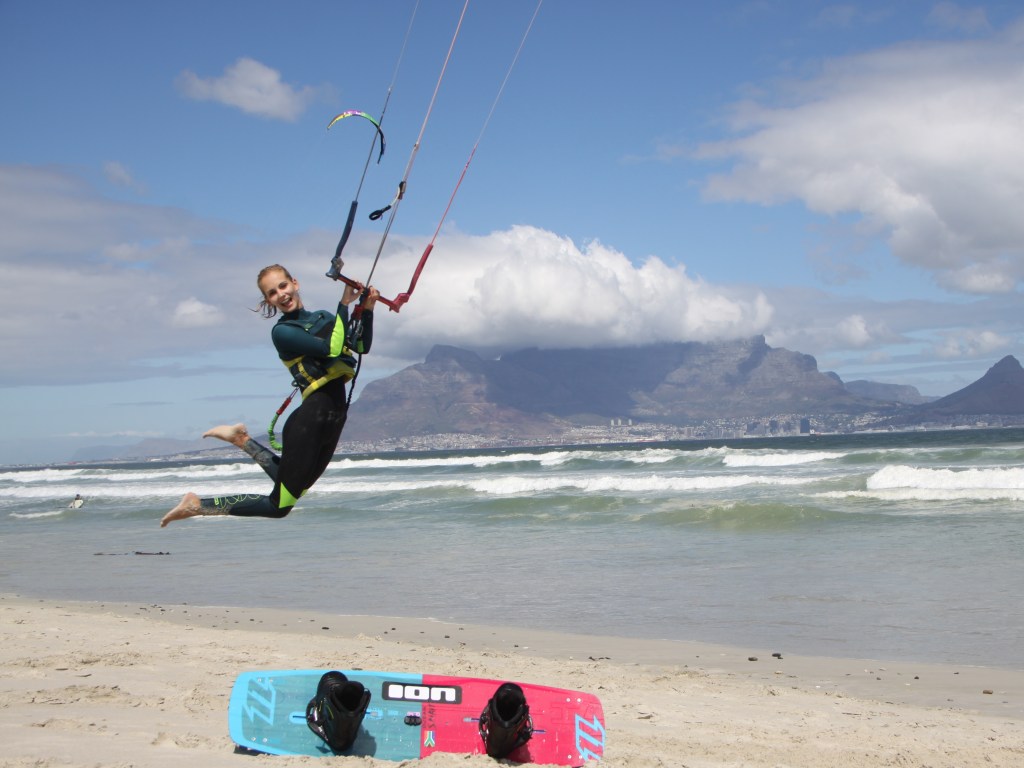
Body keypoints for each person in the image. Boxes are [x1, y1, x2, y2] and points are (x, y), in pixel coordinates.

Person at [161, 264, 378, 526]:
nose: (281, 294)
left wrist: (367, 310)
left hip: (335, 418)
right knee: (280, 506)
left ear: (295, 283)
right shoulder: (283, 332)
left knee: (296, 488)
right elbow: (332, 349)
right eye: (272, 293)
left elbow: (360, 346)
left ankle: (241, 439)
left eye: (283, 286)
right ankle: (198, 506)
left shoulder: (323, 318)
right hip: (311, 419)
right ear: (268, 301)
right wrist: (344, 303)